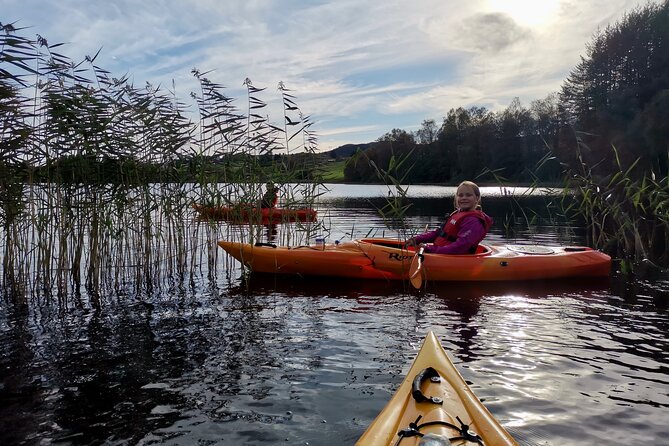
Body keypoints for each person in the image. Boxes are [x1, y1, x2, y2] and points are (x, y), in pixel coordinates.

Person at [405, 181, 493, 254]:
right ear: (456, 197)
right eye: (460, 195)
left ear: (477, 198)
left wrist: (430, 249)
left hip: (455, 258)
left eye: (468, 195)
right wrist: (416, 239)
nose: (464, 198)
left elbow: (460, 247)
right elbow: (438, 233)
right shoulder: (457, 214)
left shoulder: (474, 221)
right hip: (440, 252)